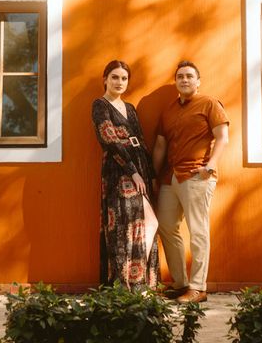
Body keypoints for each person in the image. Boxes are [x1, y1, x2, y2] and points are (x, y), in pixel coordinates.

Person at [152, 60, 229, 303]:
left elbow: (222, 138)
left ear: (198, 81)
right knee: (165, 226)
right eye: (180, 77)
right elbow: (161, 145)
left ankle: (198, 287)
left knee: (198, 231)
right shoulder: (169, 109)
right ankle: (180, 282)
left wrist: (210, 166)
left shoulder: (209, 103)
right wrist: (154, 176)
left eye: (189, 76)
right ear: (175, 81)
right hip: (169, 177)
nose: (184, 80)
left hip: (196, 175)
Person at [91, 60, 159, 289]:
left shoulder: (130, 108)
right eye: (115, 77)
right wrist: (132, 172)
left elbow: (142, 142)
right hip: (118, 171)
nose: (120, 82)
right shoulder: (100, 105)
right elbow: (109, 140)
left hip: (139, 168)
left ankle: (139, 281)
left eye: (124, 78)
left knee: (146, 222)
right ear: (105, 79)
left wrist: (149, 175)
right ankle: (122, 283)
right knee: (123, 226)